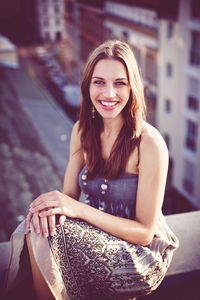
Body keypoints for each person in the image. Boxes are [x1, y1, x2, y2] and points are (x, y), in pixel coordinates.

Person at [5, 40, 179, 300]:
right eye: (99, 82)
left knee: (45, 238)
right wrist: (49, 211)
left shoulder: (149, 142)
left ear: (133, 87)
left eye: (119, 83)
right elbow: (68, 199)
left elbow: (144, 233)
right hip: (97, 236)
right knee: (37, 226)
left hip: (139, 254)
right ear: (87, 86)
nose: (108, 94)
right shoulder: (82, 131)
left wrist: (77, 210)